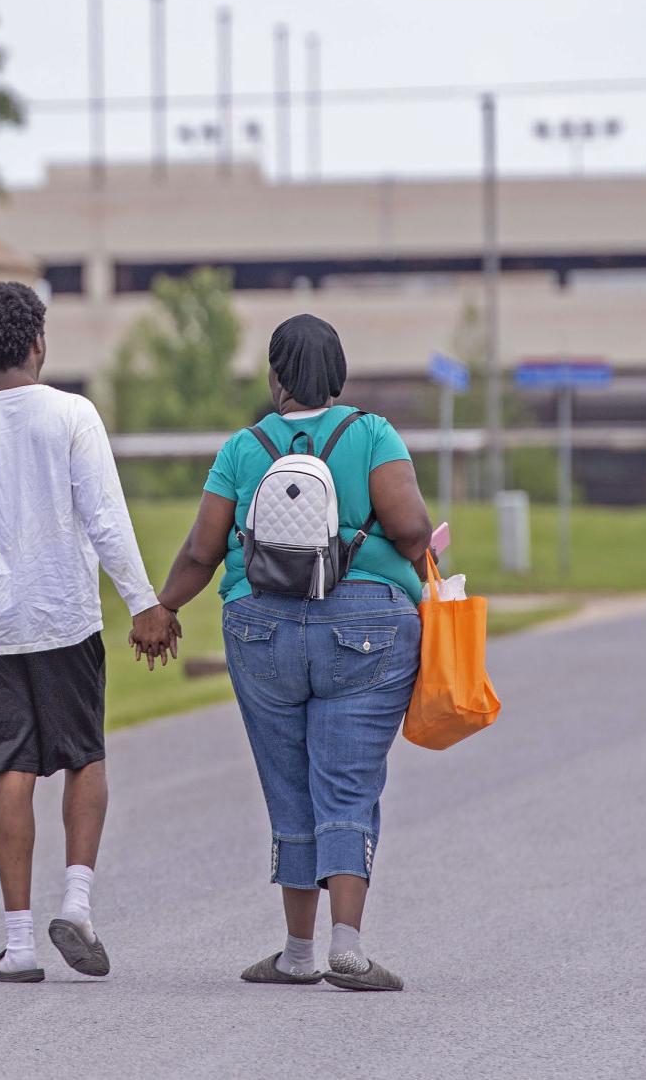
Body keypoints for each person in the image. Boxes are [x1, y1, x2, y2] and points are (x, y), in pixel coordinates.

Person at [133, 314, 432, 992]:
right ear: (340, 373)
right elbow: (412, 528)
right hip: (366, 626)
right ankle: (347, 948)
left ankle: (298, 952)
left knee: (288, 780)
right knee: (348, 779)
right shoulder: (371, 433)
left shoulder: (246, 447)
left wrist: (163, 607)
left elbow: (201, 550)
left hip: (260, 628)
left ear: (274, 375)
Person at [0, 280, 178, 984]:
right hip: (66, 614)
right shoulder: (73, 415)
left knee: (13, 768)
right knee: (83, 755)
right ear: (38, 341)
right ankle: (77, 903)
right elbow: (105, 517)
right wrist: (144, 603)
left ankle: (19, 945)